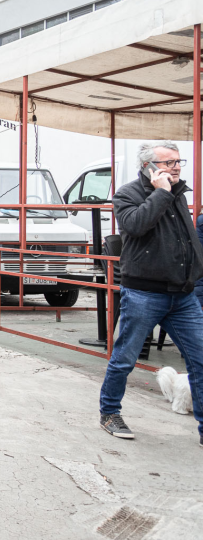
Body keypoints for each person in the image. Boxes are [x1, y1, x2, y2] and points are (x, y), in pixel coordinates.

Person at [99, 141, 203, 445]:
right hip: (144, 293)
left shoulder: (178, 193)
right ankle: (109, 413)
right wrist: (161, 193)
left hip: (182, 295)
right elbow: (136, 225)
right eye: (169, 162)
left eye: (178, 161)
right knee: (124, 359)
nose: (176, 167)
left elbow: (186, 238)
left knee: (200, 360)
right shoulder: (128, 194)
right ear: (149, 167)